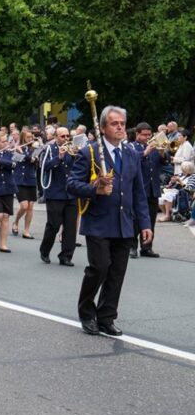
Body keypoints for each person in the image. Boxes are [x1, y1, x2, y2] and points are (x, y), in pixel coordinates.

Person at [67, 105, 152, 336]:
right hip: (98, 222)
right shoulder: (90, 153)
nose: (120, 127)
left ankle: (106, 316)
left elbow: (139, 193)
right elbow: (72, 184)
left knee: (117, 272)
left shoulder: (132, 154)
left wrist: (145, 224)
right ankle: (87, 313)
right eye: (115, 123)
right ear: (103, 127)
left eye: (123, 123)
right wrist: (95, 189)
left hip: (124, 223)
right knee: (100, 268)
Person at [39, 127, 78, 266]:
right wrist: (59, 157)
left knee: (70, 227)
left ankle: (66, 256)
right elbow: (44, 167)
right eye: (63, 136)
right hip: (55, 193)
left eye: (68, 136)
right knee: (53, 225)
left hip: (71, 193)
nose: (66, 139)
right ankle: (45, 250)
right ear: (55, 137)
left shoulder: (73, 150)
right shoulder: (49, 149)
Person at [130, 123, 166, 258]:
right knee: (135, 220)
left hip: (153, 189)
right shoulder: (131, 147)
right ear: (137, 134)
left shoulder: (156, 146)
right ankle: (132, 247)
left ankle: (146, 247)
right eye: (144, 135)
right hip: (139, 189)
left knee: (150, 219)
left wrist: (162, 153)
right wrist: (146, 152)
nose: (147, 137)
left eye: (149, 135)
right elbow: (132, 161)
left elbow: (164, 163)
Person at [12, 129, 38, 239]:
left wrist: (23, 153)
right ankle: (16, 222)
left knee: (30, 207)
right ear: (23, 138)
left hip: (31, 179)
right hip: (19, 180)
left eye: (31, 137)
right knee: (24, 206)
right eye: (28, 137)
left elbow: (33, 160)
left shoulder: (35, 148)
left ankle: (26, 231)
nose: (30, 139)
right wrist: (17, 151)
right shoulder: (17, 148)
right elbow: (14, 161)